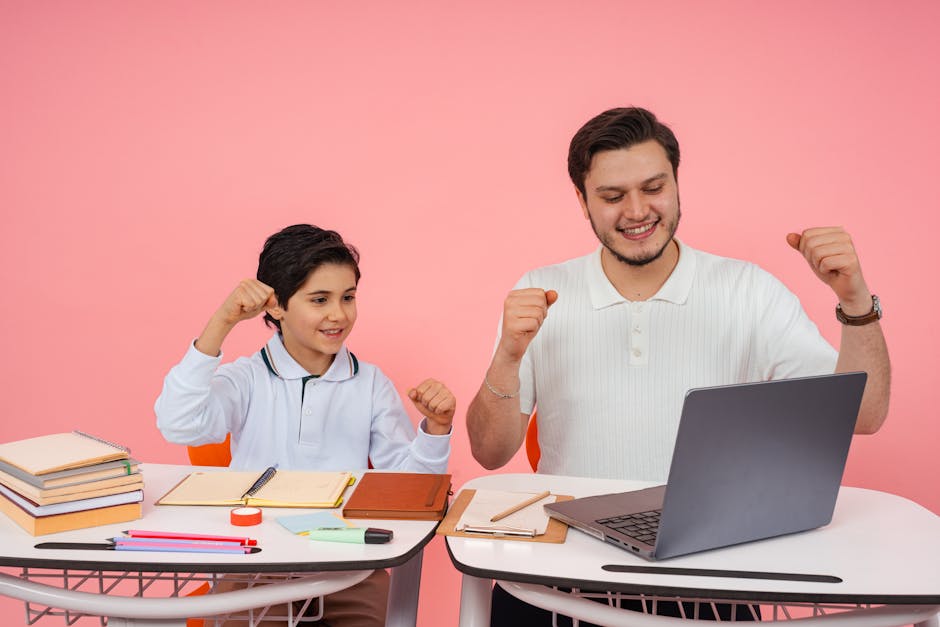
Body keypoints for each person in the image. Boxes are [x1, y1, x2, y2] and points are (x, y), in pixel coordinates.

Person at [466, 107, 890, 625]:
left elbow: (863, 416)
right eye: (612, 195)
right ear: (582, 202)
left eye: (653, 187)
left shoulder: (747, 290)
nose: (637, 210)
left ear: (676, 183)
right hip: (565, 569)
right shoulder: (542, 288)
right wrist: (509, 356)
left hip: (707, 573)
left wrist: (855, 300)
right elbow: (489, 453)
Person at [155, 224, 456, 627]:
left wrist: (435, 428)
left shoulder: (370, 384)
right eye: (320, 300)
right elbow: (179, 424)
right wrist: (223, 321)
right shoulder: (246, 378)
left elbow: (411, 491)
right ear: (276, 306)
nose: (339, 314)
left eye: (348, 298)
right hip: (256, 567)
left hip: (350, 571)